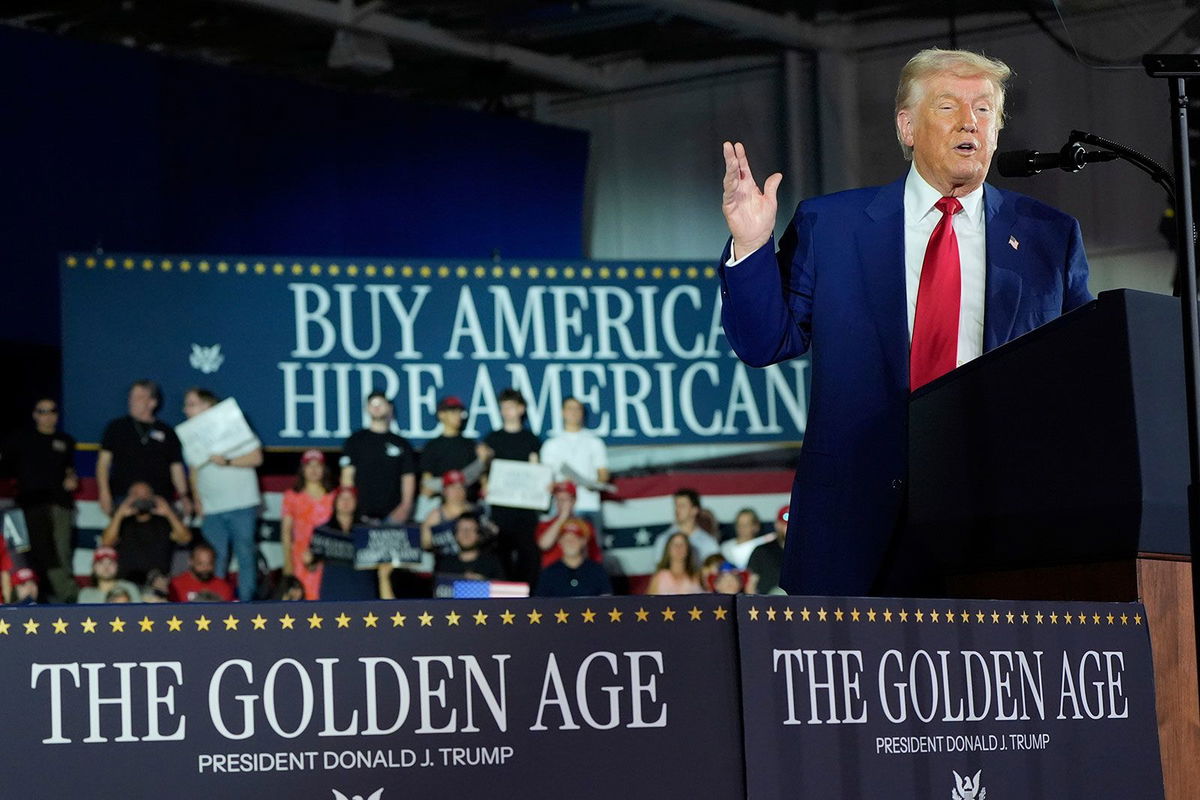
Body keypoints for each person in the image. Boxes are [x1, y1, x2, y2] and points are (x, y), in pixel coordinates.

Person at [719, 48, 1091, 595]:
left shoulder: (1048, 237)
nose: (971, 122)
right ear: (907, 126)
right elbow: (762, 343)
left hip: (999, 524)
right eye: (949, 107)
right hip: (855, 527)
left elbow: (1081, 377)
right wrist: (751, 244)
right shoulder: (833, 225)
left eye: (985, 110)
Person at [181, 388, 262, 602]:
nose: (185, 409)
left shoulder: (233, 424)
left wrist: (227, 461)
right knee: (214, 558)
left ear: (206, 405)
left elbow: (256, 457)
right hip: (211, 506)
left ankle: (247, 604)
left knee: (245, 555)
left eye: (191, 403)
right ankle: (215, 604)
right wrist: (197, 498)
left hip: (241, 503)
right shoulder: (190, 435)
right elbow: (194, 470)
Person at [0, 397, 78, 601]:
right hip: (27, 507)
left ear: (57, 415)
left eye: (51, 411)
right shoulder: (19, 440)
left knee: (60, 556)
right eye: (42, 411)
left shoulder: (65, 441)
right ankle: (27, 601)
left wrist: (72, 479)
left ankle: (66, 603)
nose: (47, 415)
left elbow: (70, 471)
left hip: (58, 506)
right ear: (35, 415)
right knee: (25, 556)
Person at [96, 380, 190, 517]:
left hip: (160, 500)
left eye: (139, 397)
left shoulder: (167, 432)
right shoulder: (116, 427)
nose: (132, 401)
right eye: (131, 397)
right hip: (124, 498)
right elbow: (103, 464)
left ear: (152, 402)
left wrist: (184, 496)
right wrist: (104, 493)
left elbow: (176, 467)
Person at [480, 388, 542, 585]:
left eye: (511, 407)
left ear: (521, 409)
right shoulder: (493, 439)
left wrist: (540, 486)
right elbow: (485, 469)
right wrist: (485, 485)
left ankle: (530, 601)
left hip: (526, 508)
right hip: (501, 509)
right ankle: (503, 602)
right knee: (501, 554)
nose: (507, 411)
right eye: (503, 408)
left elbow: (536, 468)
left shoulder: (530, 439)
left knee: (528, 556)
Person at [339, 390, 417, 523]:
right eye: (372, 403)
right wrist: (350, 508)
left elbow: (408, 477)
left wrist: (405, 507)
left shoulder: (401, 444)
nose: (376, 406)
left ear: (389, 407)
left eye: (381, 403)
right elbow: (347, 477)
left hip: (393, 516)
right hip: (361, 515)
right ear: (367, 408)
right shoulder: (355, 440)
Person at [539, 396, 609, 536]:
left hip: (588, 505)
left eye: (577, 409)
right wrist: (561, 485)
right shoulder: (551, 445)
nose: (574, 412)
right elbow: (545, 479)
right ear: (562, 412)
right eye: (570, 408)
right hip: (560, 508)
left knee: (591, 550)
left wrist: (595, 484)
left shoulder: (595, 442)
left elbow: (603, 474)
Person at [100, 480, 192, 585]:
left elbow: (185, 538)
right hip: (127, 583)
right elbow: (106, 542)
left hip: (157, 583)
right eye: (136, 494)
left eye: (146, 494)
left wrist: (169, 513)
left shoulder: (163, 521)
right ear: (128, 498)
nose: (142, 498)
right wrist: (119, 514)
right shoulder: (122, 522)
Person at [280, 449, 335, 600]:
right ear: (302, 469)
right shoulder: (292, 496)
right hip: (300, 559)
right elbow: (286, 532)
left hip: (327, 558)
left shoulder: (333, 496)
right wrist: (288, 563)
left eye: (318, 465)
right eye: (309, 465)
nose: (314, 470)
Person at [417, 395, 483, 518]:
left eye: (459, 412)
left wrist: (483, 461)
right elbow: (427, 485)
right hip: (441, 508)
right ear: (441, 415)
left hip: (467, 509)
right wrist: (451, 488)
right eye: (453, 411)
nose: (458, 415)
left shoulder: (470, 445)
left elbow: (482, 481)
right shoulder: (432, 446)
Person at [535, 518, 612, 598]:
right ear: (560, 542)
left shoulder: (597, 571)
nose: (570, 543)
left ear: (583, 541)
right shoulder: (549, 573)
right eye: (566, 539)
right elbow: (541, 604)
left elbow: (606, 602)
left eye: (575, 539)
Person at [537, 481, 603, 568]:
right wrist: (562, 518)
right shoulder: (546, 525)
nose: (562, 504)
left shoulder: (585, 525)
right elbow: (544, 545)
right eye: (559, 500)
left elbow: (593, 555)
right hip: (553, 573)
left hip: (578, 572)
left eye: (566, 500)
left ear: (574, 501)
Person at [652, 489, 720, 562]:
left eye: (682, 506)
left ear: (694, 510)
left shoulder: (708, 542)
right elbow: (659, 568)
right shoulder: (664, 539)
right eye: (676, 505)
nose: (677, 510)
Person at [433, 513, 504, 580]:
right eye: (462, 530)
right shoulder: (445, 564)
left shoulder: (491, 564)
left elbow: (502, 588)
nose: (466, 534)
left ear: (478, 535)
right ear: (455, 535)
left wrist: (483, 582)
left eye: (471, 529)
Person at [169, 542, 235, 602]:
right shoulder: (176, 585)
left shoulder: (223, 587)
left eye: (209, 564)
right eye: (200, 564)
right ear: (191, 562)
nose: (205, 568)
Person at [746, 505, 788, 595]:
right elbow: (750, 584)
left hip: (801, 604)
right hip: (766, 604)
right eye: (784, 524)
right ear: (777, 525)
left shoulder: (807, 553)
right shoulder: (761, 551)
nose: (787, 529)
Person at [77, 546, 142, 604]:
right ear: (94, 567)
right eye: (101, 563)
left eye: (110, 563)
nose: (106, 567)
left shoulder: (129, 588)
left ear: (117, 566)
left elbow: (139, 614)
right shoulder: (86, 594)